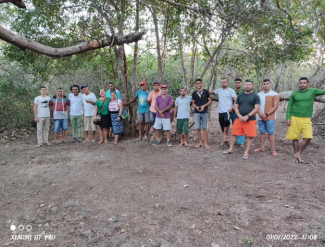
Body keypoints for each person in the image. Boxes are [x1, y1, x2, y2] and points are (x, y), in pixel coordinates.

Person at [286, 77, 325, 164]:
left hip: (306, 118)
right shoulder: (294, 94)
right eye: (301, 83)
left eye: (304, 83)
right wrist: (288, 117)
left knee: (308, 137)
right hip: (294, 117)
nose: (302, 84)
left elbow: (323, 91)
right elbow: (289, 106)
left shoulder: (313, 91)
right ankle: (296, 156)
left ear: (308, 84)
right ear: (298, 84)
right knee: (295, 137)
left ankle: (298, 153)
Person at [223, 79, 260, 160]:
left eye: (249, 85)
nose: (248, 86)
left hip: (250, 119)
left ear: (252, 86)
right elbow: (236, 106)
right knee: (234, 133)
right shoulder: (240, 96)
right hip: (239, 119)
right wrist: (239, 115)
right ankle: (231, 149)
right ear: (244, 86)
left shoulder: (255, 96)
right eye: (246, 84)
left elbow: (256, 108)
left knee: (250, 136)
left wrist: (247, 116)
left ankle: (246, 152)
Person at [254, 79, 279, 156]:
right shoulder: (258, 94)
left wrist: (266, 114)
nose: (266, 85)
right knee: (262, 132)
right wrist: (260, 114)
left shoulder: (275, 94)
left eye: (267, 84)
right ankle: (262, 147)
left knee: (270, 132)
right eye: (264, 84)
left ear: (270, 84)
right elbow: (256, 106)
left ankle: (273, 150)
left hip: (270, 116)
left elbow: (275, 106)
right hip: (260, 116)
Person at [209, 78, 237, 147]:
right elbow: (211, 92)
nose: (223, 83)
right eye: (222, 82)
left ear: (227, 83)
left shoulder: (231, 90)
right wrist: (202, 90)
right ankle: (225, 140)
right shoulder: (219, 90)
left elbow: (235, 99)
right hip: (220, 111)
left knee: (226, 123)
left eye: (224, 82)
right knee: (222, 127)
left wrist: (232, 108)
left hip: (227, 111)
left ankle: (226, 141)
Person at [192, 78, 212, 150]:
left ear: (202, 84)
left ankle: (206, 143)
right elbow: (193, 103)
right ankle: (200, 142)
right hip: (197, 113)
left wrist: (204, 106)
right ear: (195, 85)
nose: (198, 84)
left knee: (205, 128)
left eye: (199, 83)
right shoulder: (194, 93)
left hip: (204, 112)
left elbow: (210, 101)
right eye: (197, 83)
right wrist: (196, 107)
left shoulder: (206, 92)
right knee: (198, 128)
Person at [233, 78, 245, 147]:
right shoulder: (232, 91)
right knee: (235, 126)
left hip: (242, 112)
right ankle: (237, 141)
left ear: (241, 83)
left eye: (239, 82)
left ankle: (242, 142)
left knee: (242, 127)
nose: (237, 84)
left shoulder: (244, 91)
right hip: (234, 112)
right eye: (236, 82)